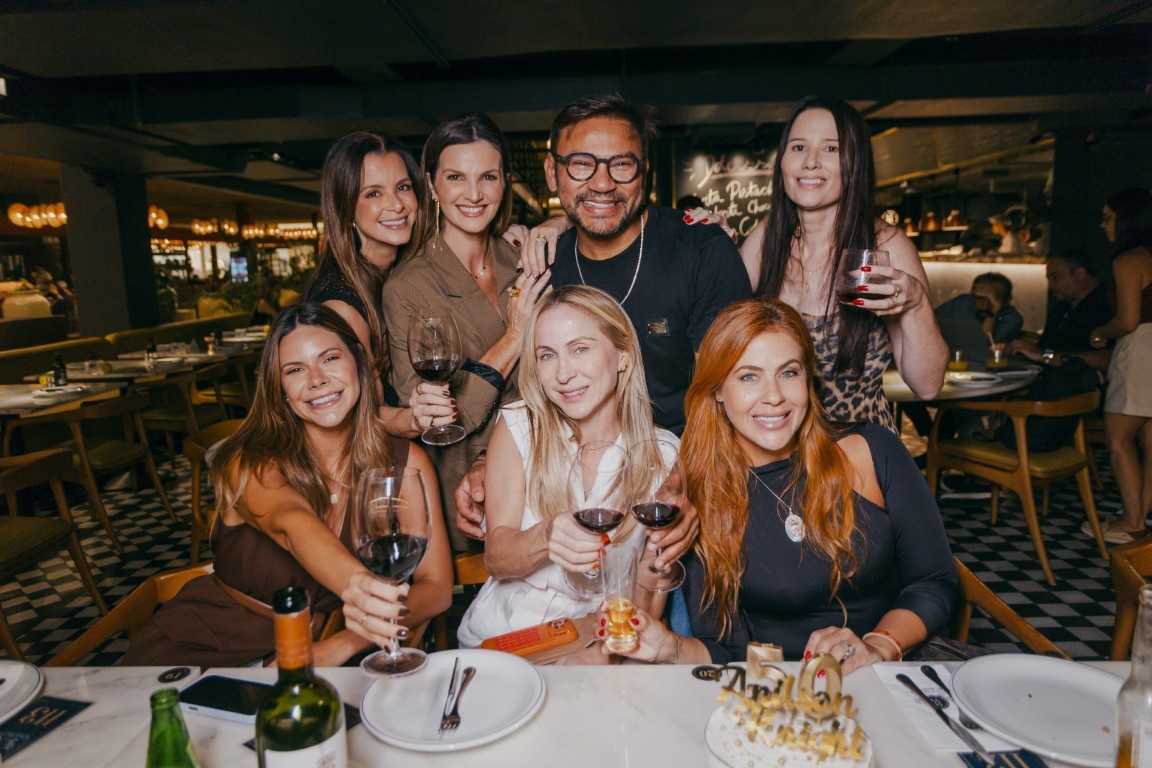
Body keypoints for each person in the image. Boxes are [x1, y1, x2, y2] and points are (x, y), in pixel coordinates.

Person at [597, 297, 958, 673]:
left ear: (808, 378)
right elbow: (726, 650)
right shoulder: (703, 490)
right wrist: (669, 648)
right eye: (749, 376)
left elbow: (935, 581)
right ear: (718, 389)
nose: (774, 396)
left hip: (886, 672)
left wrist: (877, 645)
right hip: (777, 689)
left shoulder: (870, 451)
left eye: (788, 372)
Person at [454, 93, 748, 545]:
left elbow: (730, 392)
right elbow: (529, 391)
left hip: (689, 478)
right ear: (552, 172)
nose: (603, 183)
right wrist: (486, 463)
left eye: (621, 164)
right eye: (581, 165)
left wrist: (684, 482)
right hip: (573, 495)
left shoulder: (700, 251)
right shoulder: (540, 266)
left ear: (644, 170)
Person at [123, 303, 453, 667]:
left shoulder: (405, 462)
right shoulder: (249, 460)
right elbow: (292, 524)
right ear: (279, 388)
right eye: (295, 369)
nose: (316, 379)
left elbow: (436, 588)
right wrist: (359, 588)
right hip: (206, 646)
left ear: (359, 364)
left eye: (330, 358)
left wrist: (343, 643)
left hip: (316, 649)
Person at [456, 285, 676, 647]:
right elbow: (497, 558)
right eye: (547, 355)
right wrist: (545, 537)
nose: (563, 374)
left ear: (622, 355)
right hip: (505, 639)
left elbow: (649, 592)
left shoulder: (664, 455)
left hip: (600, 644)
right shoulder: (518, 425)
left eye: (580, 349)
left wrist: (604, 650)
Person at [382, 114, 552, 552]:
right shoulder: (408, 286)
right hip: (460, 491)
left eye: (488, 177)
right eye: (456, 177)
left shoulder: (523, 259)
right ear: (432, 185)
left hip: (543, 475)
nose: (474, 194)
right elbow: (438, 417)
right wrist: (513, 338)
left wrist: (559, 222)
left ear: (505, 182)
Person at [738, 96, 947, 429]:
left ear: (854, 162)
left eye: (831, 149)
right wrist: (707, 246)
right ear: (783, 161)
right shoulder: (767, 238)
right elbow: (717, 337)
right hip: (778, 445)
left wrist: (916, 303)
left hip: (857, 447)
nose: (810, 162)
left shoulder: (885, 245)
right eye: (798, 147)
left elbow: (928, 386)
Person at [301, 130, 450, 438]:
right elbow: (363, 414)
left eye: (403, 187)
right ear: (346, 209)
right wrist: (416, 419)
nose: (396, 205)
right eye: (373, 194)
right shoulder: (341, 305)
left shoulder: (404, 271)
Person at [1087, 188, 1152, 543]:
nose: (1103, 225)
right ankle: (1139, 516)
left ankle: (1132, 523)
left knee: (1119, 440)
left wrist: (1100, 332)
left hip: (1141, 351)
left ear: (1127, 219)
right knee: (1150, 439)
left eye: (1108, 218)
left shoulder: (1129, 260)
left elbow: (1127, 321)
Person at [1006, 250, 1113, 372]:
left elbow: (1109, 359)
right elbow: (1046, 349)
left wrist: (1045, 356)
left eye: (1055, 277)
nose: (1051, 285)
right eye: (1049, 279)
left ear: (1079, 274)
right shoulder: (1061, 308)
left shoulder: (1108, 304)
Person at [935, 272, 1024, 344]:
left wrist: (993, 313)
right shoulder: (961, 303)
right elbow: (929, 325)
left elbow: (984, 345)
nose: (985, 305)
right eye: (980, 298)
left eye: (993, 299)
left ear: (1007, 300)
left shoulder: (1013, 319)